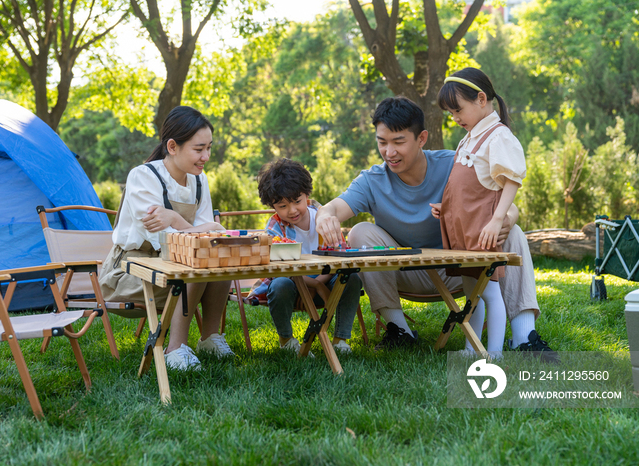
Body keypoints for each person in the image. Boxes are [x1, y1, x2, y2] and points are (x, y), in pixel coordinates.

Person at [315, 95, 557, 361]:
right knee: (360, 230)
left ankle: (525, 337)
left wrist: (508, 217)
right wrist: (325, 214)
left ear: (421, 139)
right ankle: (399, 331)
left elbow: (502, 201)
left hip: (461, 268)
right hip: (405, 271)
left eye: (398, 142)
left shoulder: (455, 163)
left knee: (514, 232)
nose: (389, 152)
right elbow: (336, 207)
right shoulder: (372, 179)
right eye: (382, 142)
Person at [99, 106, 234, 371]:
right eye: (198, 149)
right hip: (130, 272)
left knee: (215, 257)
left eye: (208, 148)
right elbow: (174, 242)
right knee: (193, 263)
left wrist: (173, 219)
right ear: (172, 146)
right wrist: (199, 229)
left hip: (174, 265)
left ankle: (209, 337)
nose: (205, 156)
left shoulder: (198, 180)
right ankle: (175, 348)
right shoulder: (143, 177)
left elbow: (209, 235)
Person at [429, 67, 526, 357]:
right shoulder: (469, 137)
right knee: (473, 293)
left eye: (458, 110)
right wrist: (446, 209)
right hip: (464, 231)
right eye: (450, 113)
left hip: (481, 232)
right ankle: (474, 347)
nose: (455, 118)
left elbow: (511, 180)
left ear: (481, 99)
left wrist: (498, 220)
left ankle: (493, 352)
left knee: (490, 292)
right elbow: (468, 187)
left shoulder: (498, 137)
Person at [250, 158, 362, 354]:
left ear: (307, 194)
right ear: (273, 206)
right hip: (292, 285)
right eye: (282, 206)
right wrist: (312, 285)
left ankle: (340, 340)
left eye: (296, 201)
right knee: (280, 284)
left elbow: (339, 259)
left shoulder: (323, 218)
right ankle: (286, 340)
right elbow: (278, 268)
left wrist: (319, 282)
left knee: (351, 277)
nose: (292, 210)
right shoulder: (275, 226)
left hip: (326, 284)